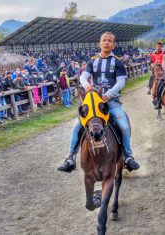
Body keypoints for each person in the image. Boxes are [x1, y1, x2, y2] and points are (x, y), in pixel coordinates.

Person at [57, 32, 140, 173]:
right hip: (94, 104)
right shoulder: (92, 61)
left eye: (109, 41)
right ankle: (70, 158)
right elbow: (83, 77)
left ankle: (127, 156)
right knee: (77, 127)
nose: (106, 43)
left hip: (111, 102)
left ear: (113, 45)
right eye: (104, 40)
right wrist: (86, 85)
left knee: (124, 127)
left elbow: (121, 82)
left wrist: (107, 95)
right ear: (99, 43)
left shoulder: (118, 62)